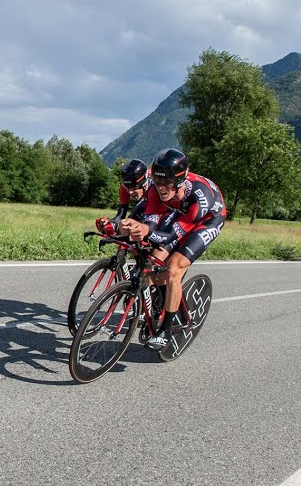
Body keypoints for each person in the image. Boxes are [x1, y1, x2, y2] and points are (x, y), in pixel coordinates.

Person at [117, 147, 226, 350]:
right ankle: (164, 299)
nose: (161, 188)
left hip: (207, 219)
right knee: (155, 262)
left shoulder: (198, 197)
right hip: (179, 212)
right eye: (157, 182)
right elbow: (150, 226)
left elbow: (172, 236)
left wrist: (147, 233)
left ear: (179, 181)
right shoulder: (155, 190)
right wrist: (133, 227)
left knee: (174, 269)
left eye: (167, 182)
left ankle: (165, 331)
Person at [94, 159, 150, 237]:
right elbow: (120, 215)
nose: (130, 192)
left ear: (144, 183)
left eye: (133, 188)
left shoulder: (155, 188)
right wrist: (110, 223)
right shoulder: (125, 186)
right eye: (127, 188)